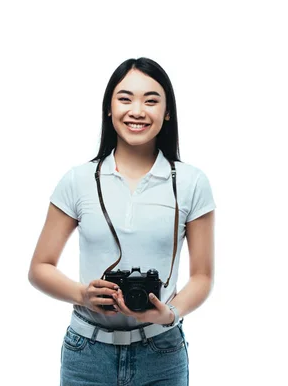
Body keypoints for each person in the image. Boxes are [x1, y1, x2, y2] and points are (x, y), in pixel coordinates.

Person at [28, 57, 216, 385]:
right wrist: (82, 294)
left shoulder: (191, 182)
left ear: (167, 112)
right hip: (87, 353)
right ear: (109, 108)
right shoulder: (78, 180)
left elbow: (202, 275)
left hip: (162, 351)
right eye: (125, 98)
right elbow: (39, 268)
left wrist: (169, 311)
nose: (137, 111)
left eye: (151, 100)